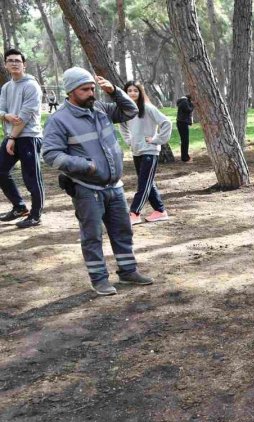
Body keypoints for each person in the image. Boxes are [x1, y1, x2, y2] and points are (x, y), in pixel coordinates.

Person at [42, 67, 153, 296]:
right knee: (92, 235)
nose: (91, 92)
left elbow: (131, 110)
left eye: (92, 88)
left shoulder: (100, 108)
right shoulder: (59, 120)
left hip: (114, 187)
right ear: (71, 91)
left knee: (123, 231)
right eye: (85, 89)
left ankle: (128, 270)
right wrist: (86, 165)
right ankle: (99, 279)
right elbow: (50, 155)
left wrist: (114, 91)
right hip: (86, 189)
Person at [0, 48, 45, 229]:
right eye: (10, 60)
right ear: (5, 65)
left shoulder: (31, 86)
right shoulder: (6, 87)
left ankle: (35, 215)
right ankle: (19, 207)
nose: (14, 63)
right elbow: (1, 109)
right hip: (12, 135)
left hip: (29, 137)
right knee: (1, 171)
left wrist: (11, 137)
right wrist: (6, 116)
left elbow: (24, 117)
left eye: (18, 61)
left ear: (24, 64)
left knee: (32, 177)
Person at [119, 80, 172, 224]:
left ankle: (134, 213)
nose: (132, 93)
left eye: (135, 90)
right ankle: (160, 211)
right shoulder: (126, 110)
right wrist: (130, 141)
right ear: (125, 93)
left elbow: (167, 122)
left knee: (144, 184)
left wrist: (157, 139)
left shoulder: (148, 108)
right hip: (137, 151)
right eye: (129, 90)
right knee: (148, 183)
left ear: (140, 92)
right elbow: (122, 127)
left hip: (150, 150)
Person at [175, 94, 193, 162]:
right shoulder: (184, 102)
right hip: (182, 123)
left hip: (181, 122)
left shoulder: (182, 101)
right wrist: (193, 105)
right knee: (185, 141)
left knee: (184, 141)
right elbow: (188, 110)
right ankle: (185, 158)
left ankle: (185, 157)